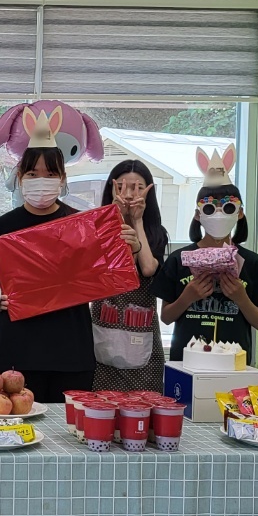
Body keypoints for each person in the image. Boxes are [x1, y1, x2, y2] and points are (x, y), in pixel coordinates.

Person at [0, 125, 94, 402]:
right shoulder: (0, 228)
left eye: (50, 174)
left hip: (72, 351)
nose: (41, 181)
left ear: (62, 178)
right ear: (20, 177)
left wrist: (129, 244)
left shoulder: (80, 224)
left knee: (69, 425)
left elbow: (100, 275)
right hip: (17, 351)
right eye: (33, 174)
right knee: (16, 421)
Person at [153, 150, 258, 366]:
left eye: (228, 207)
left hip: (234, 365)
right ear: (198, 214)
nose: (219, 214)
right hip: (186, 363)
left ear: (239, 212)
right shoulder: (178, 260)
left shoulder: (252, 263)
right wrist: (187, 297)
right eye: (210, 209)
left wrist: (241, 298)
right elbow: (166, 317)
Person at [91, 160, 169, 392]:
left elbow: (148, 269)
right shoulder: (96, 227)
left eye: (138, 187)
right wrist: (113, 217)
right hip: (104, 326)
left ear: (148, 192)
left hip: (141, 332)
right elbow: (100, 274)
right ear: (111, 189)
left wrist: (137, 221)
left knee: (144, 406)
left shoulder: (156, 232)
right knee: (99, 404)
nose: (129, 194)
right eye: (122, 186)